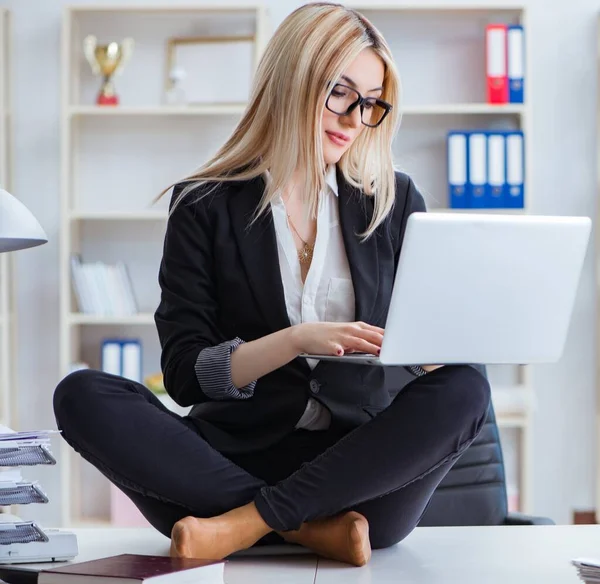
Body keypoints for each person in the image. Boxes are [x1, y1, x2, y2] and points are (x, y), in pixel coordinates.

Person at [53, 1, 490, 568]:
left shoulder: (394, 201)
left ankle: (245, 525)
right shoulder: (204, 205)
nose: (355, 118)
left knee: (467, 388)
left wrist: (434, 349)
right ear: (294, 79)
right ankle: (312, 530)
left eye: (370, 103)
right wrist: (294, 340)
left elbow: (432, 357)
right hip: (228, 462)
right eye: (340, 92)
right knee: (81, 394)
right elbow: (185, 376)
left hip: (357, 475)